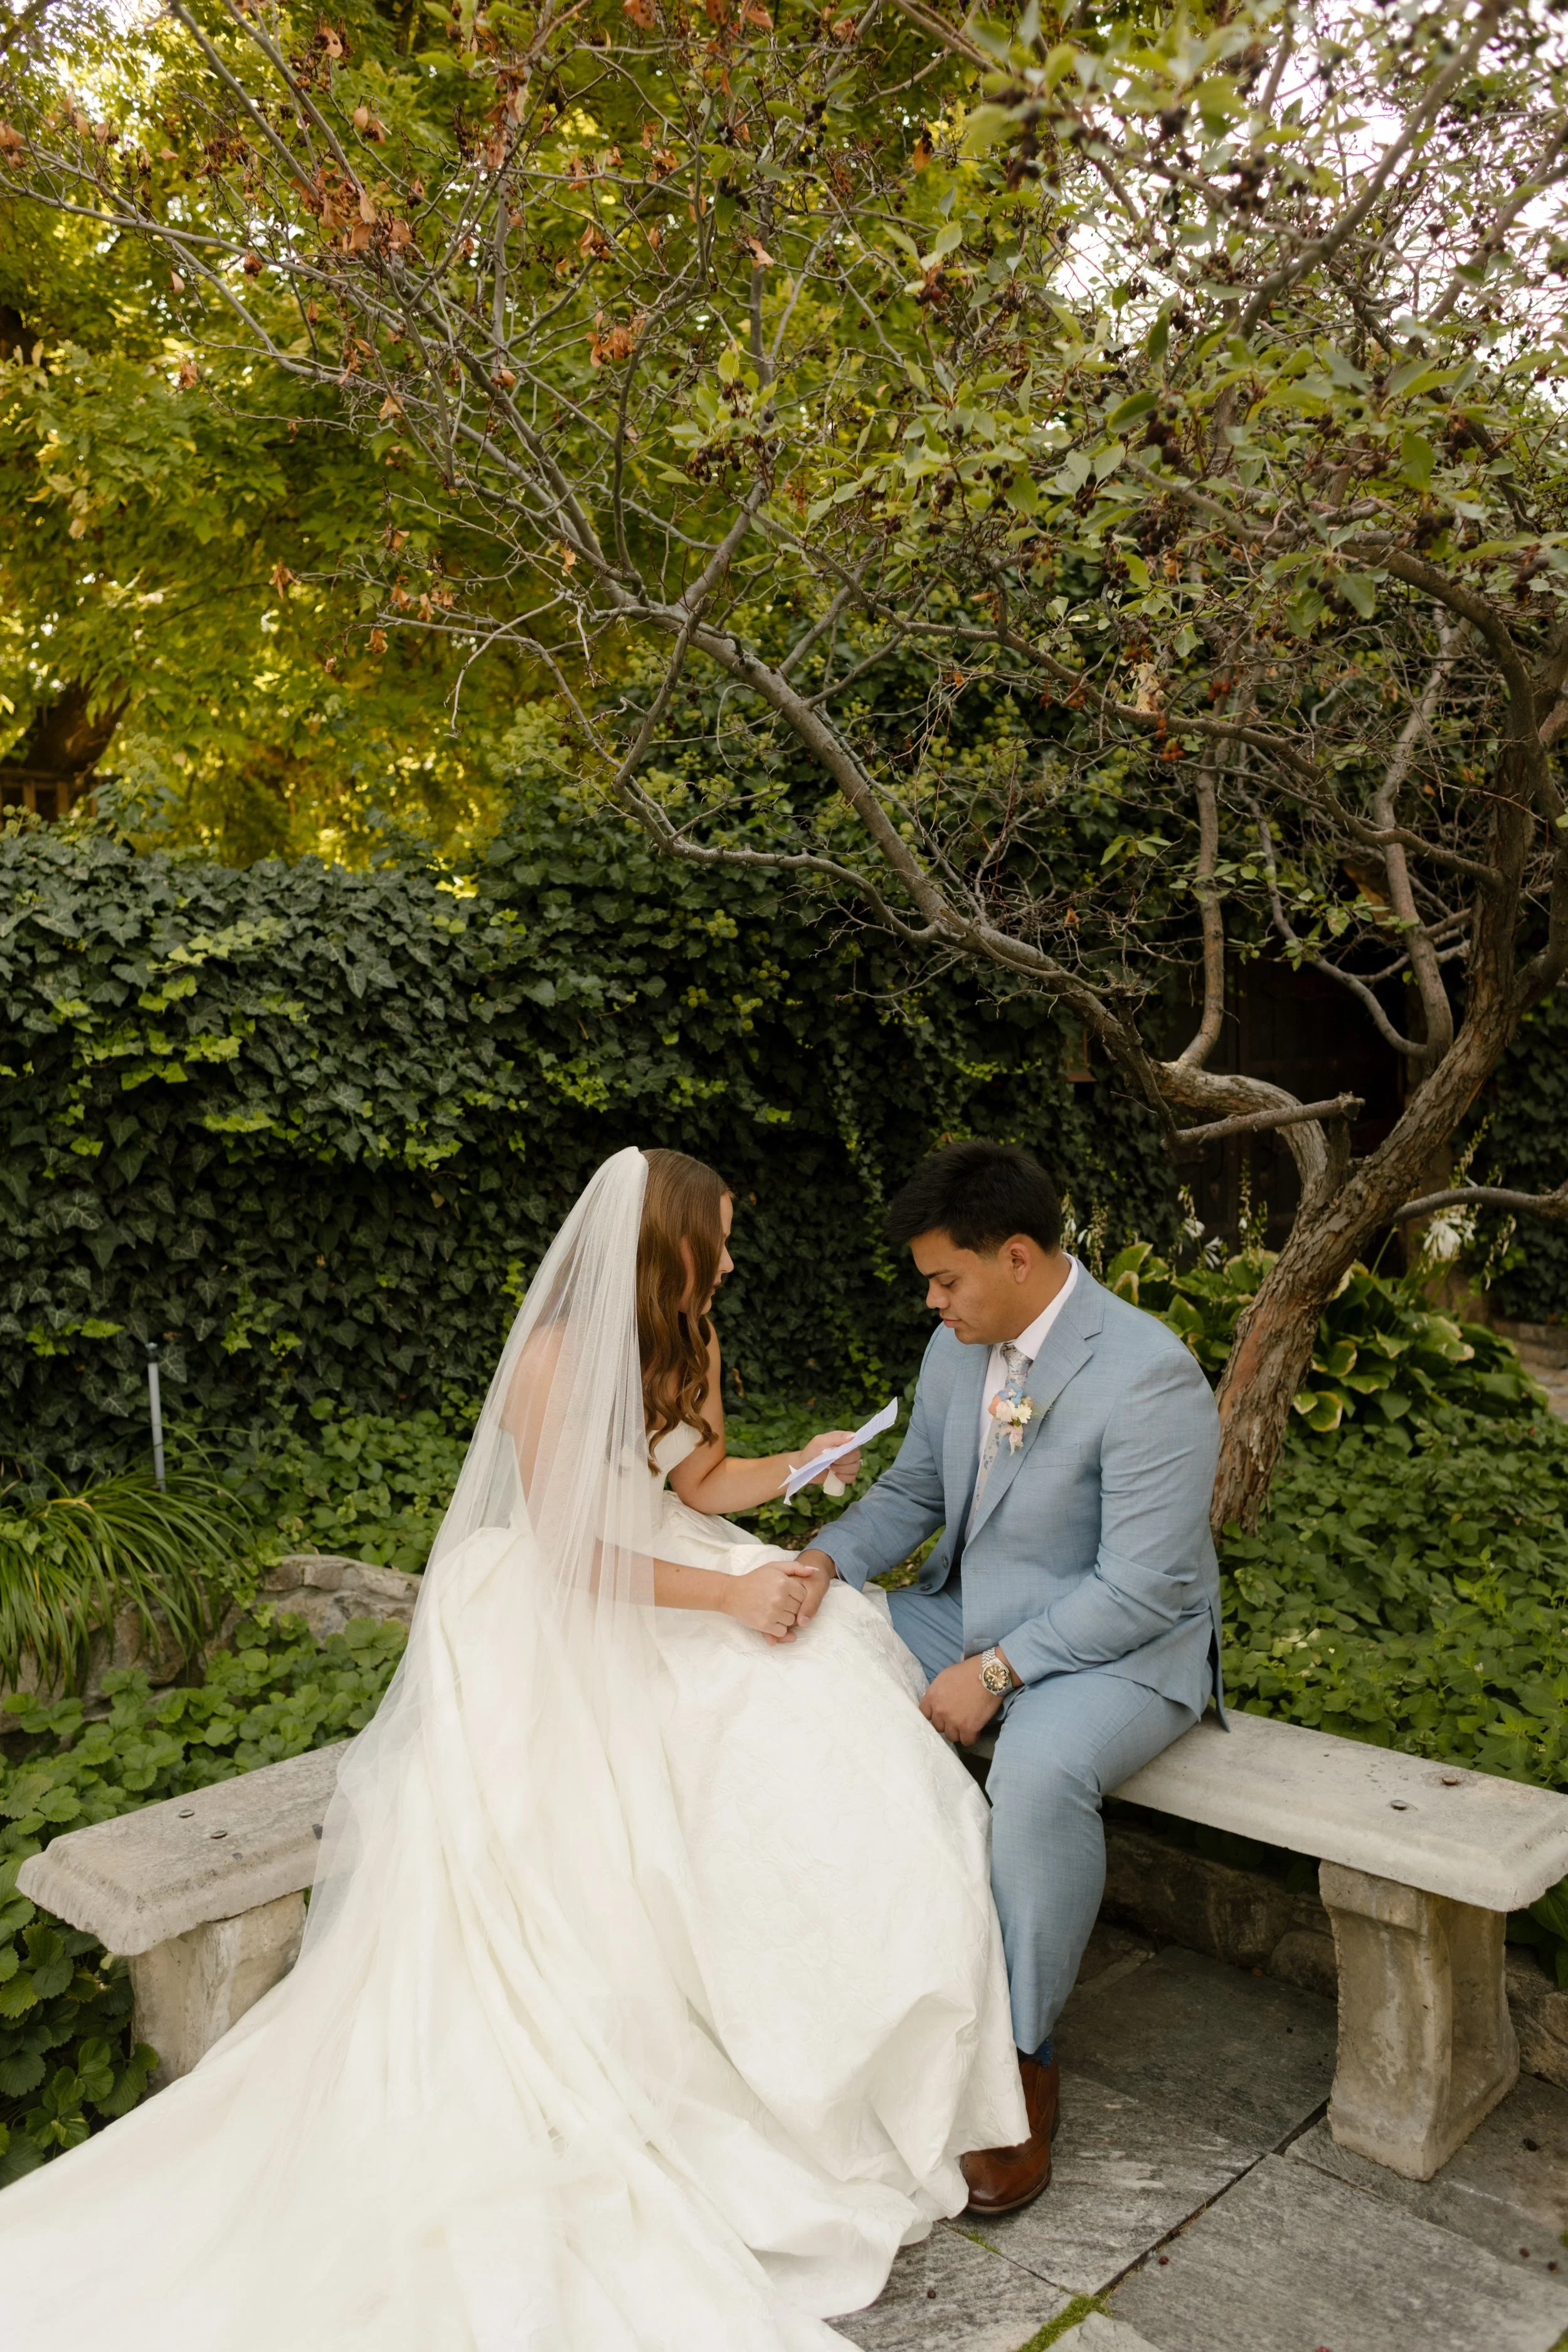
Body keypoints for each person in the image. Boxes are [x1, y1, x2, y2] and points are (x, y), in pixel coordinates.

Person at [0, 1145, 1023, 2351]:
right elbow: (574, 1554)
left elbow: (695, 1479)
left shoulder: (688, 1338)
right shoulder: (555, 1360)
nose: (736, 1258)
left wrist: (806, 1464)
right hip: (565, 1607)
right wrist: (730, 1603)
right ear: (666, 1246)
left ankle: (860, 2037)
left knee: (825, 1696)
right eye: (723, 1237)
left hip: (670, 1565)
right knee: (713, 1731)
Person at [792, 1140, 1223, 2217]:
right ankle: (871, 1964)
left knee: (1032, 1766)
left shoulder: (1150, 1372)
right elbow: (913, 1494)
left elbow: (1145, 1588)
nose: (934, 1301)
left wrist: (997, 1668)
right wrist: (820, 1563)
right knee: (821, 1651)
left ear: (1019, 1255)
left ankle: (1018, 2060)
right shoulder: (957, 1349)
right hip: (979, 1608)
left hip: (1124, 1644)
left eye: (947, 1278)